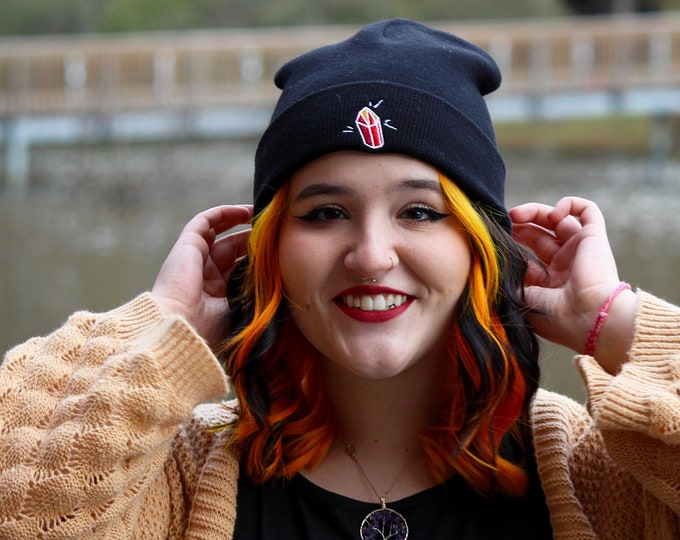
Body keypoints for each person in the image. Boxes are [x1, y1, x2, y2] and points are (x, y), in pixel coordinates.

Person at [0, 18, 679, 539]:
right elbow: (23, 503)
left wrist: (614, 322)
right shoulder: (169, 474)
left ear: (480, 247)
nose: (371, 254)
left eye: (419, 211)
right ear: (266, 252)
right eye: (325, 213)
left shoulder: (596, 477)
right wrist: (161, 322)